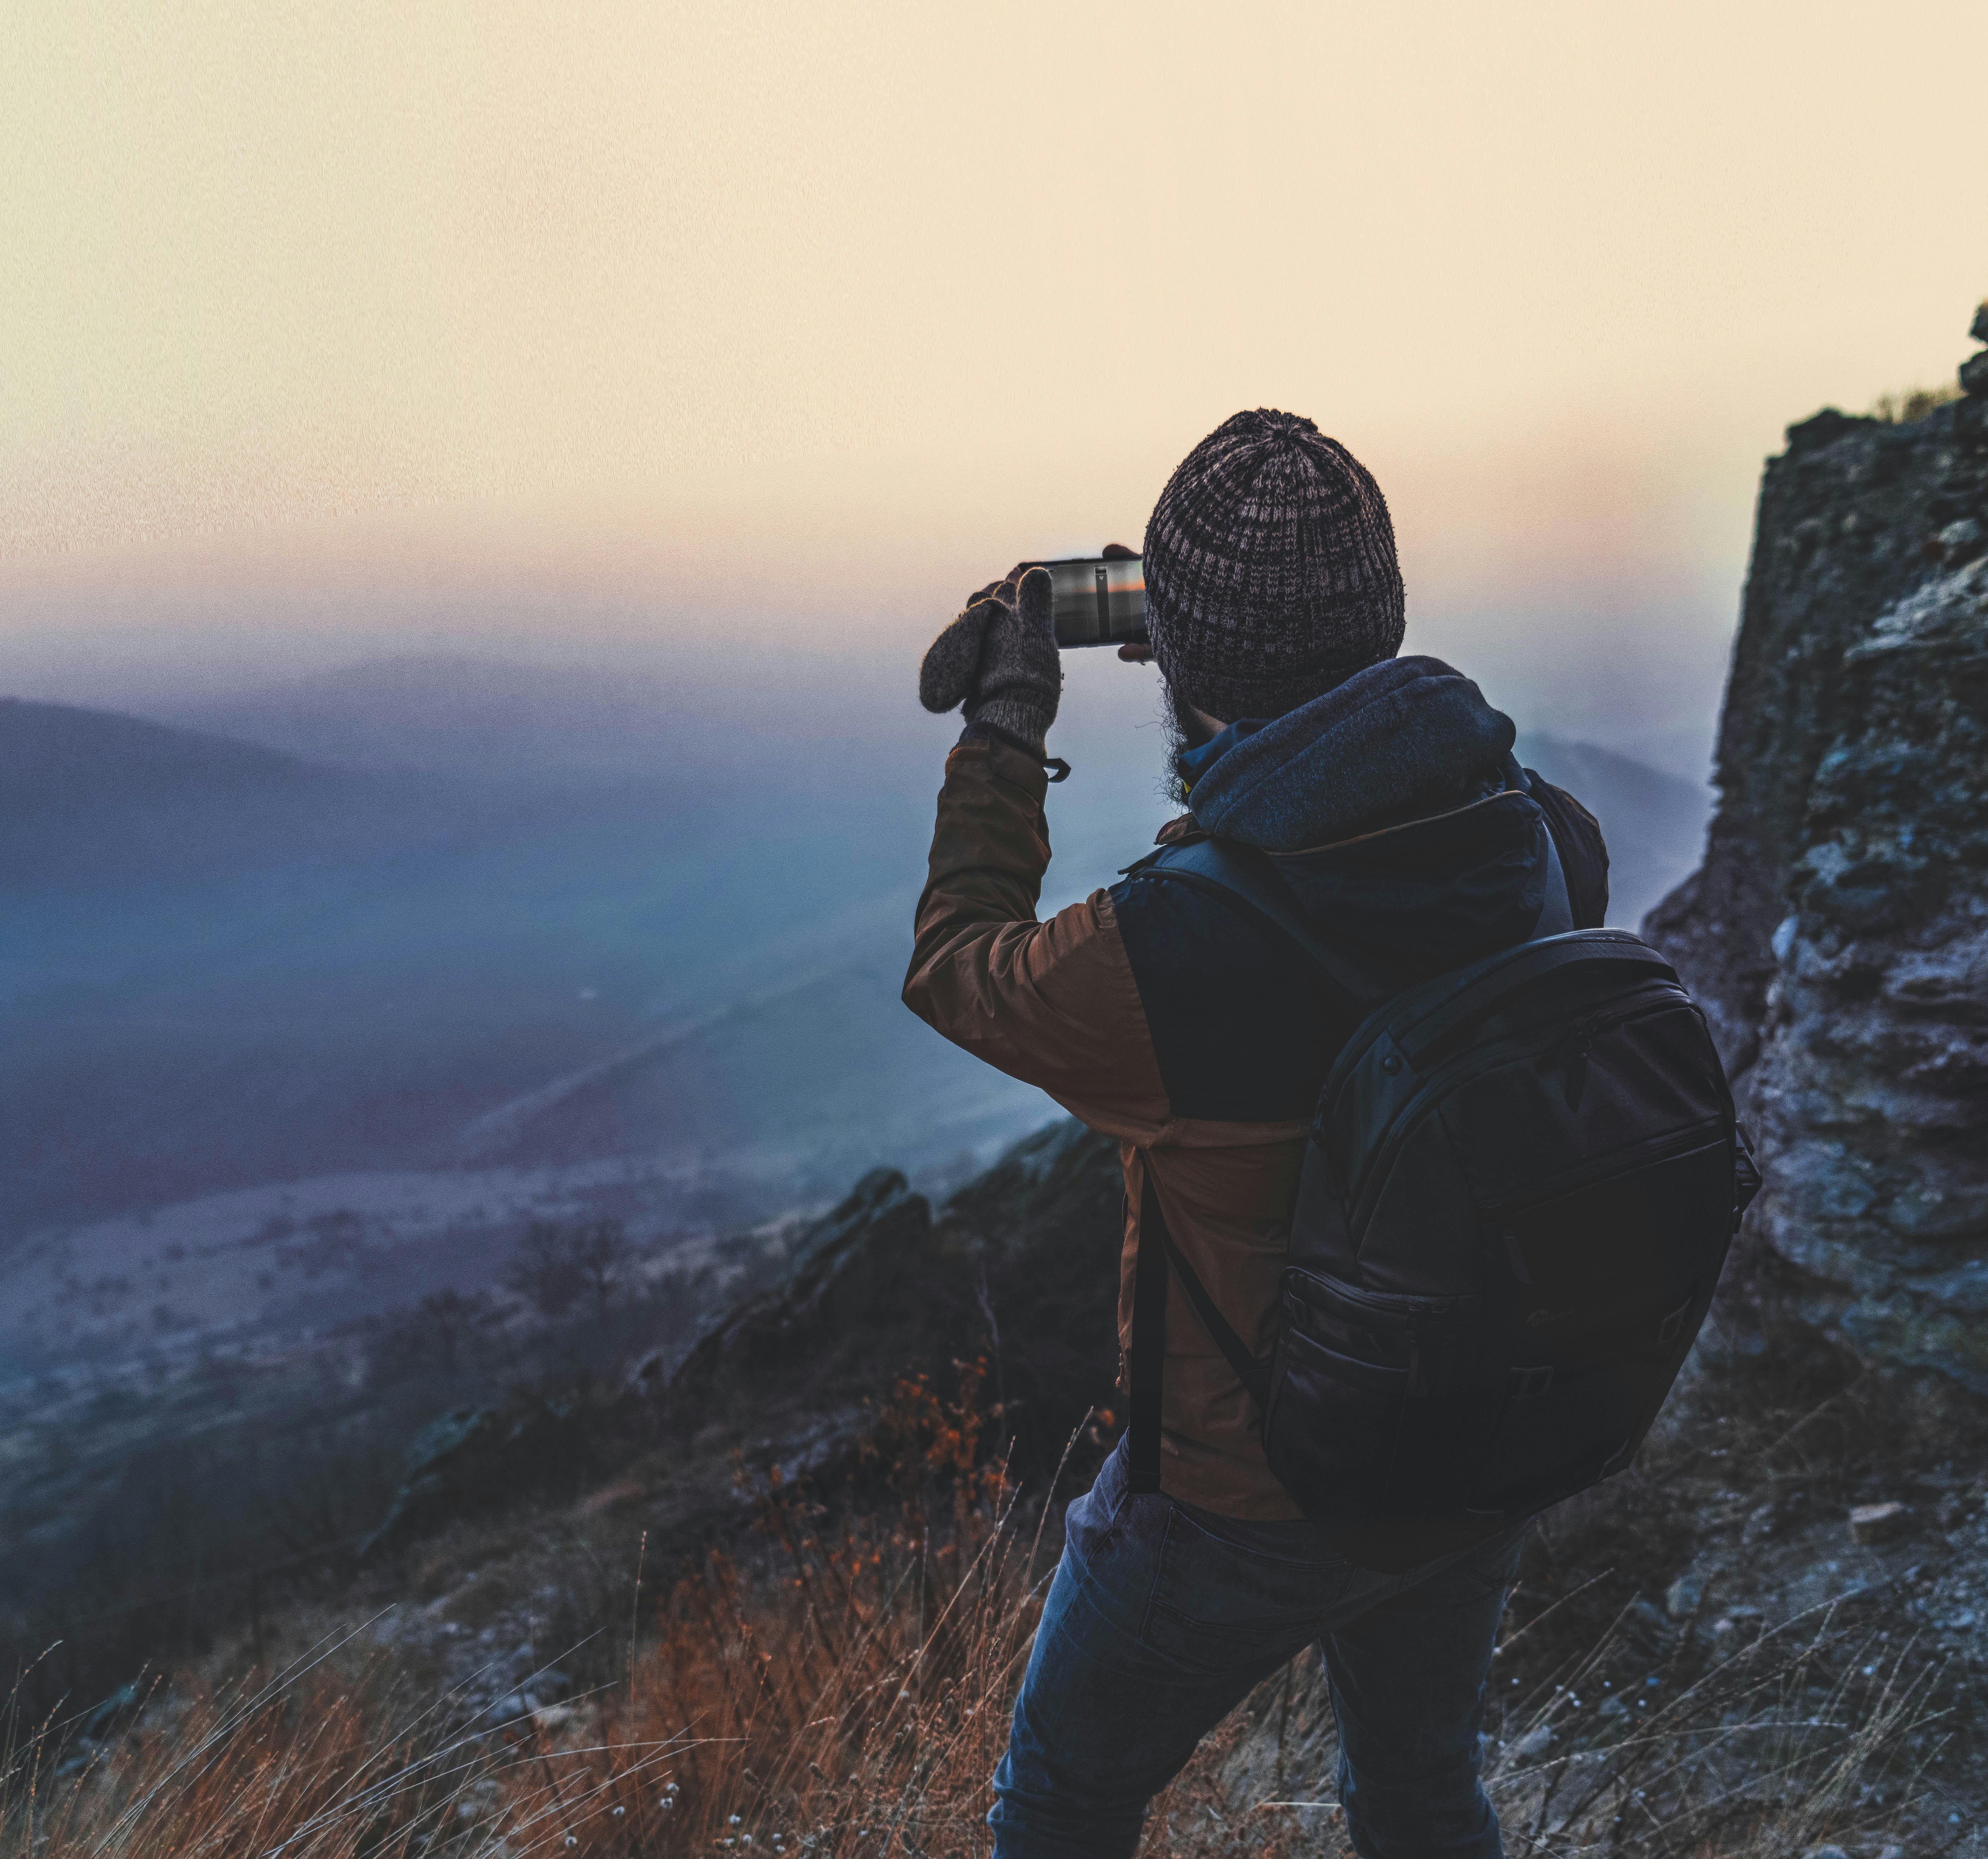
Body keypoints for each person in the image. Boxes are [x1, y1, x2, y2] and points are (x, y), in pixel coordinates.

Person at [904, 409, 1608, 1859]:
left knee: (1061, 1804)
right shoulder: (1544, 838)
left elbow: (959, 965)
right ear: (1385, 617)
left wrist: (1005, 725)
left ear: (1182, 659)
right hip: (1471, 1434)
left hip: (1238, 1497)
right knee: (1418, 1788)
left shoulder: (1171, 946)